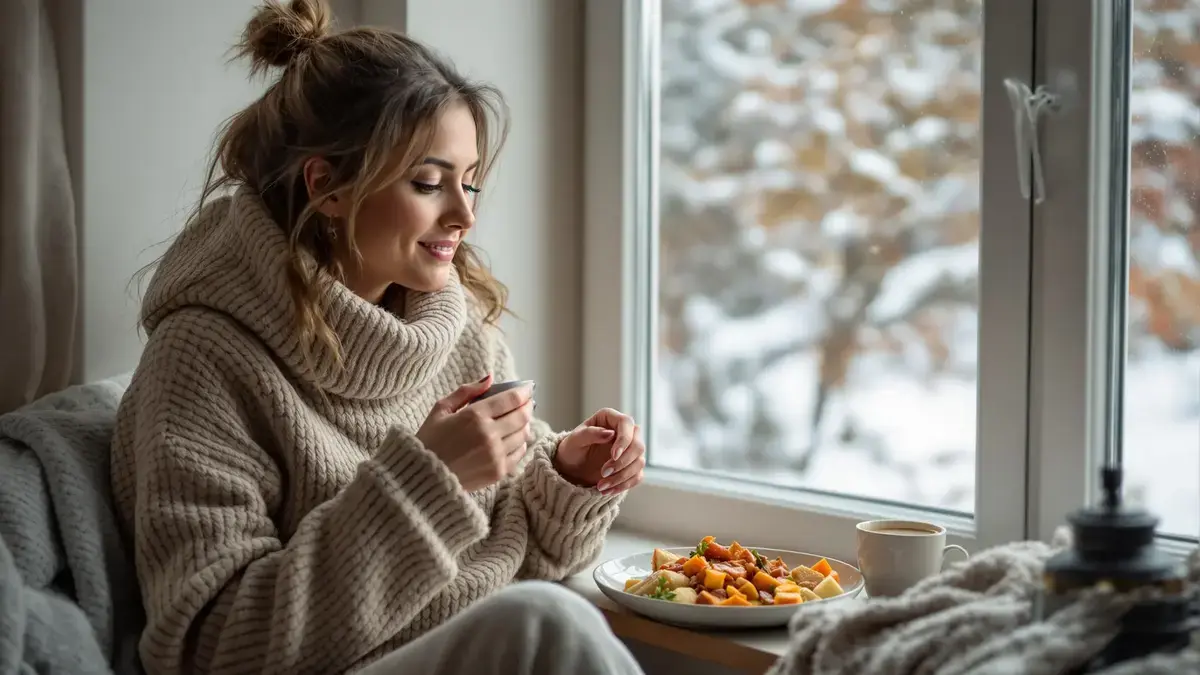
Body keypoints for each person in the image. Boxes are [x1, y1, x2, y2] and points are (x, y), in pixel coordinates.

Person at [109, 1, 647, 674]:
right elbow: (211, 645)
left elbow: (523, 560)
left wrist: (569, 477)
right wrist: (431, 478)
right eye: (429, 182)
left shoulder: (456, 328)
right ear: (328, 186)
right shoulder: (202, 358)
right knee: (548, 622)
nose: (465, 215)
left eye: (471, 182)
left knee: (548, 611)